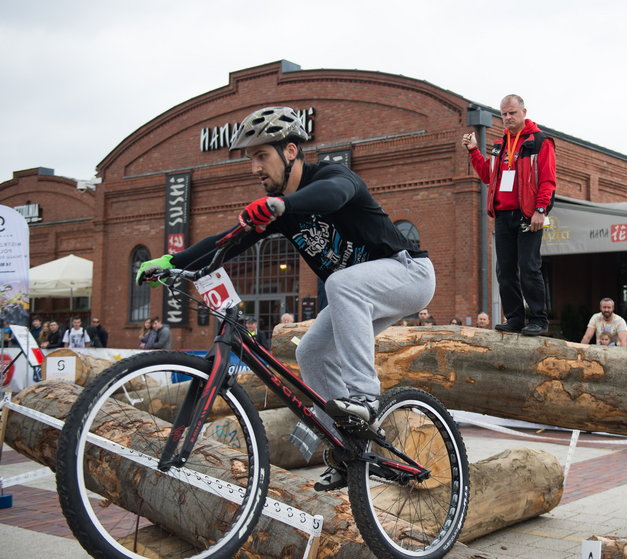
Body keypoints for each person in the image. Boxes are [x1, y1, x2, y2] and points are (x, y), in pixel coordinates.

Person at [137, 106, 435, 492]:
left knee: (340, 283)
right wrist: (172, 262)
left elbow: (334, 194)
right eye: (250, 159)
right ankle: (349, 446)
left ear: (290, 151)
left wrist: (285, 205)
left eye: (261, 156)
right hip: (363, 290)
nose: (254, 168)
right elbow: (227, 241)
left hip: (409, 273)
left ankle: (365, 396)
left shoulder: (331, 176)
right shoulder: (276, 210)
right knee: (311, 352)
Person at [463, 94, 556, 336]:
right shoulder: (499, 145)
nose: (507, 117)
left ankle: (538, 319)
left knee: (529, 267)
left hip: (528, 215)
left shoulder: (539, 141)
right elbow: (487, 176)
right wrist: (474, 150)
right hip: (503, 216)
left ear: (524, 112)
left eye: (512, 113)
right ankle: (515, 318)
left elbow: (547, 180)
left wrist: (541, 210)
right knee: (504, 270)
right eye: (503, 113)